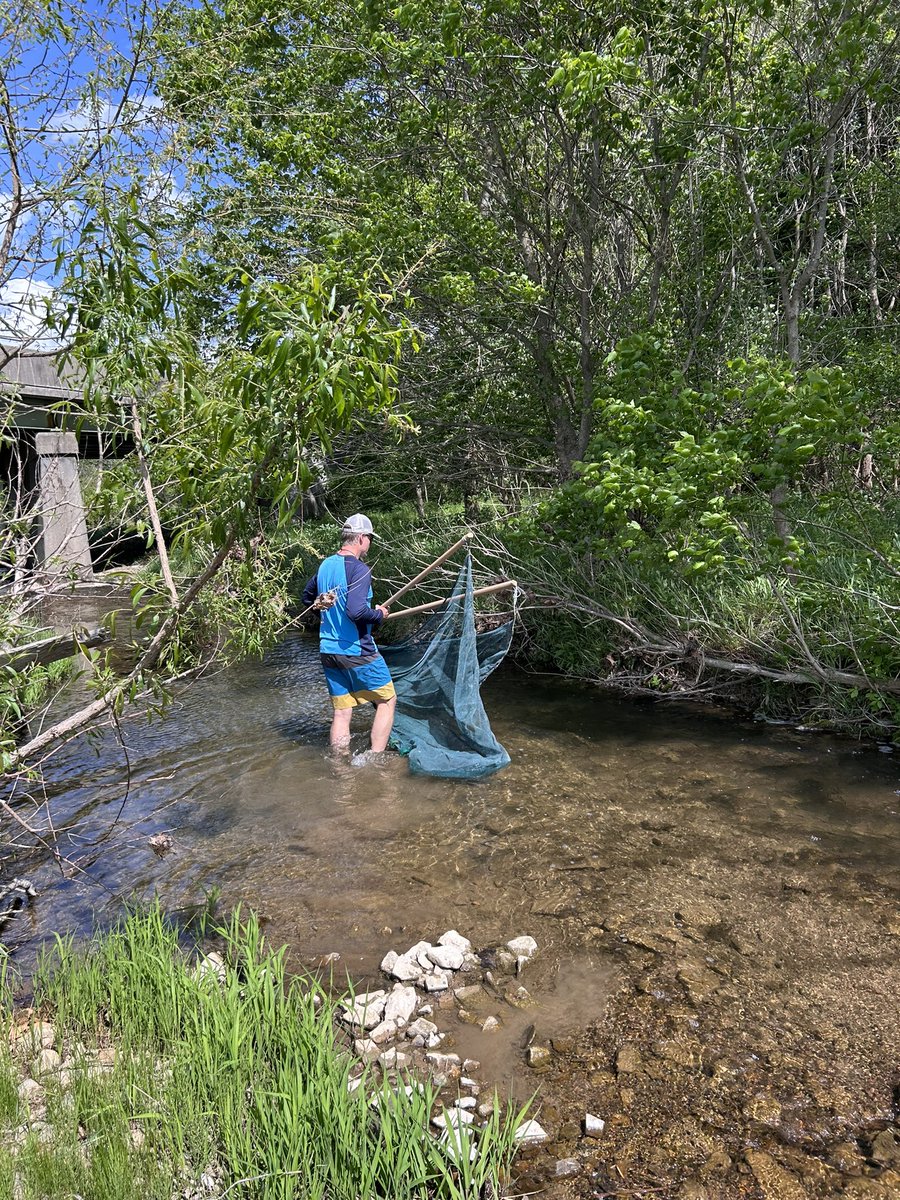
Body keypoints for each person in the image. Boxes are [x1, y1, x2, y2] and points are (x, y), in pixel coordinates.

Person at [301, 513, 396, 753]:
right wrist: (379, 615)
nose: (370, 544)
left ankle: (340, 768)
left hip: (328, 651)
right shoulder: (361, 570)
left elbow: (307, 599)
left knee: (342, 712)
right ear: (361, 538)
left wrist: (327, 616)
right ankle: (375, 761)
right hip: (356, 650)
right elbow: (356, 611)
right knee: (387, 700)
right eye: (370, 538)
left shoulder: (325, 565)